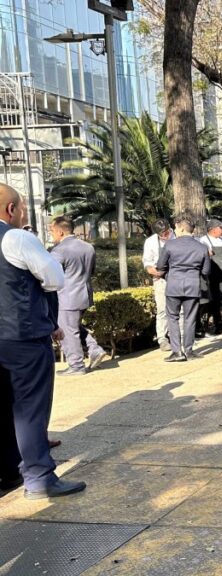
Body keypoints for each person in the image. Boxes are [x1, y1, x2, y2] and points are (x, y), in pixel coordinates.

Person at [0, 184, 86, 500]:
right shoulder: (17, 237)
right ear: (12, 210)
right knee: (29, 408)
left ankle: (9, 472)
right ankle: (38, 477)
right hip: (21, 336)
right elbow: (55, 279)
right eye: (22, 208)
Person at [47, 217, 107, 376]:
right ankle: (95, 349)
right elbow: (91, 271)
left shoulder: (59, 250)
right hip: (84, 295)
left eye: (52, 231)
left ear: (60, 231)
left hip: (67, 297)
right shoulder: (88, 247)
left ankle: (76, 365)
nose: (51, 234)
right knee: (73, 327)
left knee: (67, 331)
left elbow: (51, 273)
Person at [157, 217, 211, 362]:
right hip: (193, 286)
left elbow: (160, 266)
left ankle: (177, 352)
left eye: (175, 228)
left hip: (173, 285)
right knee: (190, 319)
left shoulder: (169, 245)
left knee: (172, 318)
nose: (174, 230)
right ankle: (189, 350)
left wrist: (169, 276)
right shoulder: (202, 247)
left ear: (181, 229)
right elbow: (206, 271)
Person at [143, 219, 175, 351]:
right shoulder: (150, 242)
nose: (165, 235)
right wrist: (152, 271)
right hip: (160, 278)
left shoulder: (177, 237)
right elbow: (147, 261)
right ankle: (162, 339)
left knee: (180, 309)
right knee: (162, 309)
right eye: (162, 234)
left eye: (167, 232)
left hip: (177, 275)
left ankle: (178, 337)